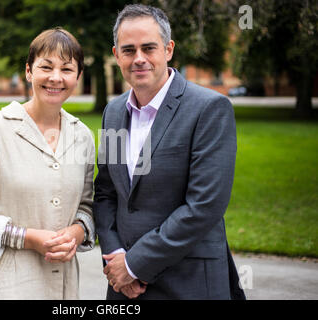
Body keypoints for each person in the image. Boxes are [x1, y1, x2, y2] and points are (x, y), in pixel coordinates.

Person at [94, 4, 245, 300]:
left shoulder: (209, 109)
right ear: (116, 55)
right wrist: (115, 256)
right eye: (128, 50)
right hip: (124, 286)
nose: (139, 59)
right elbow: (105, 193)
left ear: (168, 49)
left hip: (189, 281)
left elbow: (204, 205)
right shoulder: (112, 112)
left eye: (148, 48)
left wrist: (135, 264)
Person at [0, 27, 95, 299]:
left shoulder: (82, 137)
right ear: (28, 71)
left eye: (66, 69)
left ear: (78, 76)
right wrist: (27, 238)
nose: (55, 78)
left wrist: (77, 231)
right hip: (3, 289)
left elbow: (86, 205)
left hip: (61, 289)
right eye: (46, 67)